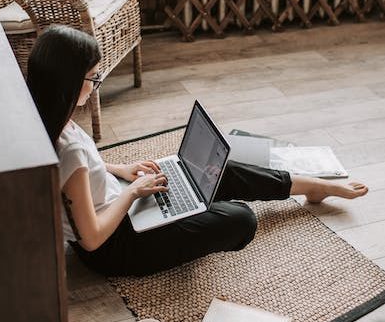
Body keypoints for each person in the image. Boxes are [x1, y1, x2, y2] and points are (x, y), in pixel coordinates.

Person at [27, 25, 368, 277]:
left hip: (118, 204)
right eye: (92, 77)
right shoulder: (66, 146)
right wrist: (132, 193)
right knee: (240, 219)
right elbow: (91, 239)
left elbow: (79, 171)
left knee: (218, 169)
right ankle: (191, 207)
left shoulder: (49, 118)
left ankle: (311, 186)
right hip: (116, 246)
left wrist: (121, 170)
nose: (96, 82)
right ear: (69, 82)